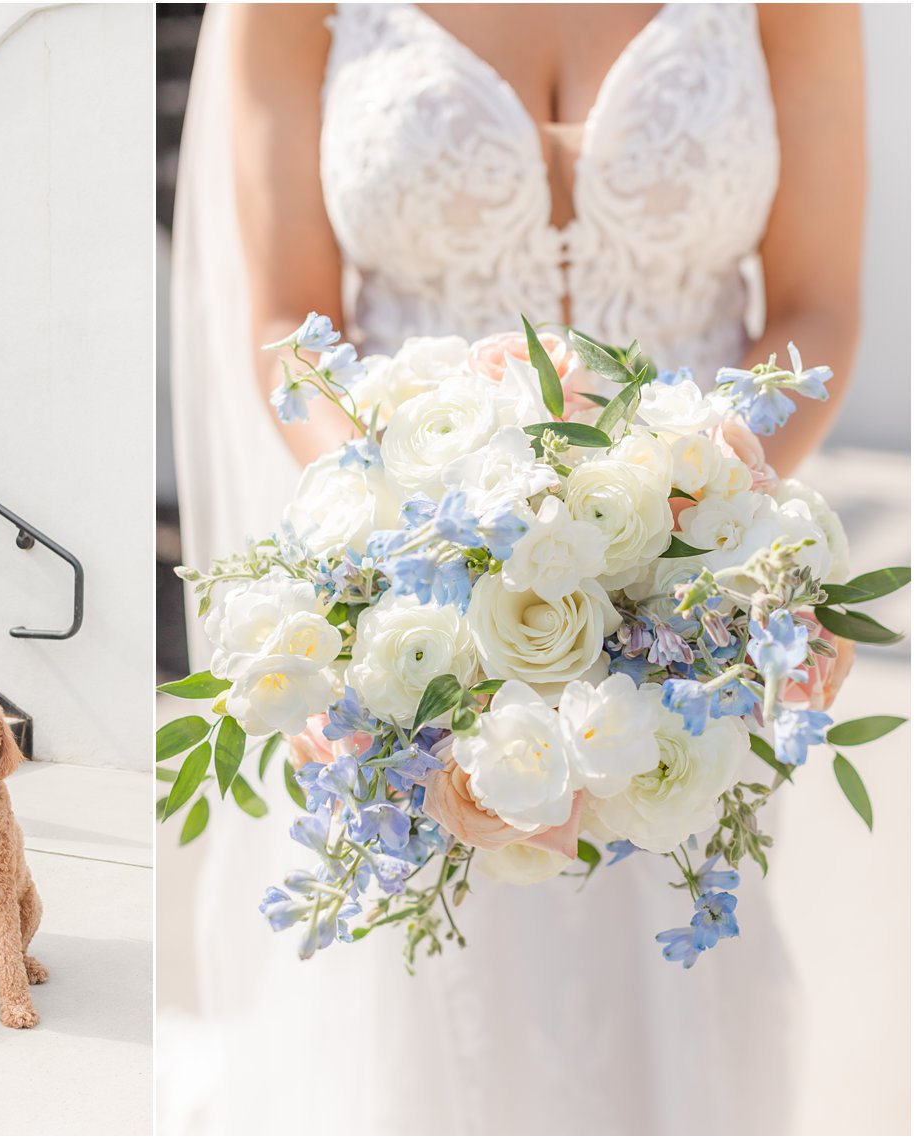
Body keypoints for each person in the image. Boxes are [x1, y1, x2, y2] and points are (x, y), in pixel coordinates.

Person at [165, 4, 863, 1133]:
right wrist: (396, 537)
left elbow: (812, 305)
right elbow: (289, 327)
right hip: (423, 607)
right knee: (429, 999)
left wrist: (696, 509)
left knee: (671, 961)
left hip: (687, 620)